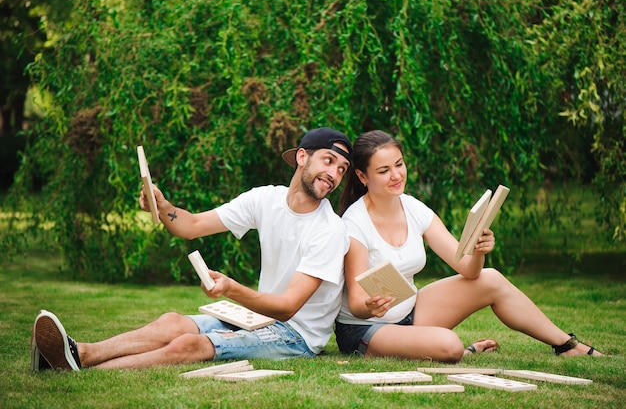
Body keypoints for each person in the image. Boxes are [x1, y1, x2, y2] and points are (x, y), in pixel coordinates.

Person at [31, 127, 353, 371]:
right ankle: (80, 353)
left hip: (295, 337)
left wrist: (230, 287)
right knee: (172, 322)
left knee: (189, 344)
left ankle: (77, 369)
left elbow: (287, 308)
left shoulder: (329, 230)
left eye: (341, 169)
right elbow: (193, 226)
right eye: (328, 160)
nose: (334, 174)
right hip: (260, 318)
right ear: (302, 157)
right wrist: (162, 205)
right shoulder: (265, 199)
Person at [334, 130, 601, 363]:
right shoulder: (355, 224)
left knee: (490, 278)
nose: (396, 175)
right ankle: (465, 351)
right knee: (450, 345)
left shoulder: (414, 208)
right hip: (366, 328)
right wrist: (371, 306)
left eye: (399, 164)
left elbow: (468, 270)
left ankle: (566, 345)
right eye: (384, 171)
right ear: (362, 176)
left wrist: (477, 250)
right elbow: (357, 303)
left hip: (411, 313)